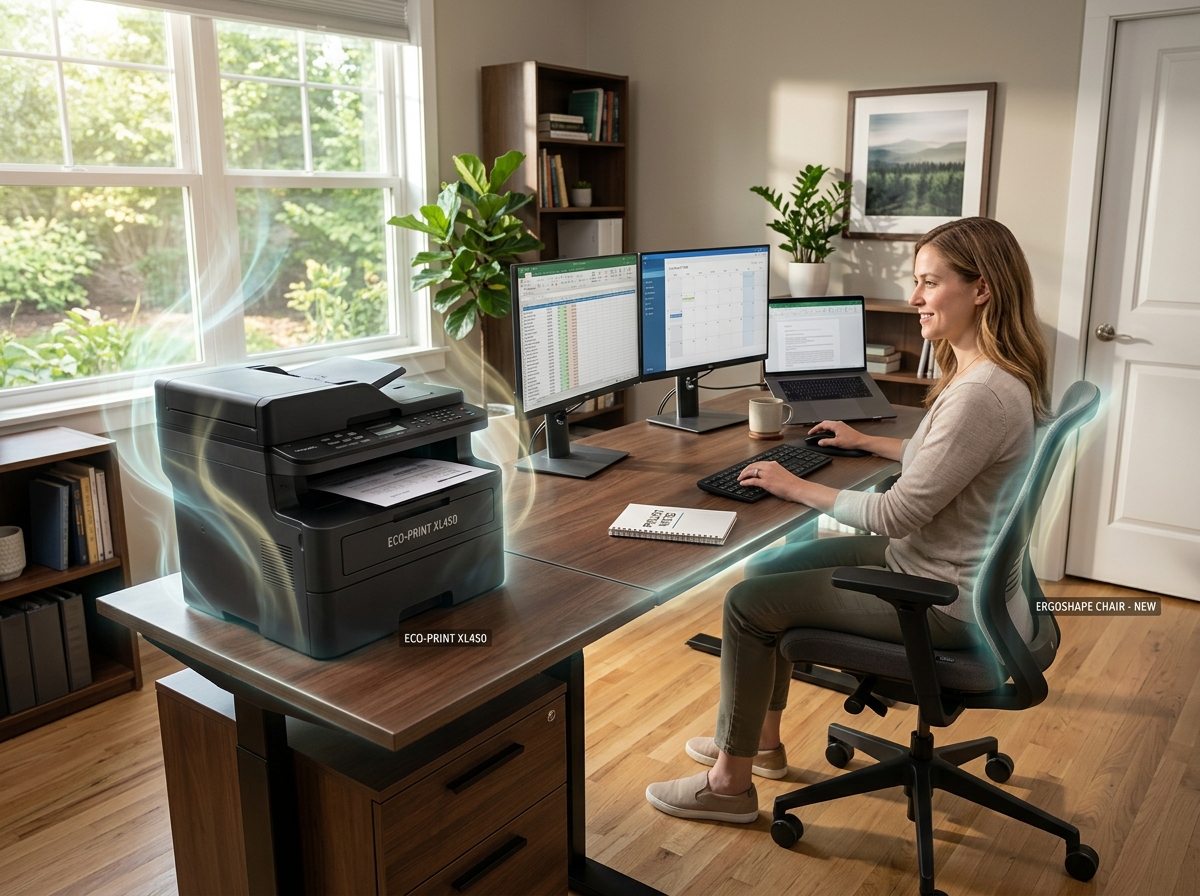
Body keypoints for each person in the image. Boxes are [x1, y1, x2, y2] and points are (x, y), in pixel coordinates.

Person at [645, 216, 1051, 824]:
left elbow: (897, 512)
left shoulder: (979, 394)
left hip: (941, 601)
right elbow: (947, 464)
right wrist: (870, 442)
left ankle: (727, 786)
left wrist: (792, 483)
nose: (915, 298)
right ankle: (759, 743)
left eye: (928, 283)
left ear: (982, 288)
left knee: (747, 605)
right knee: (772, 565)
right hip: (947, 572)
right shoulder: (989, 377)